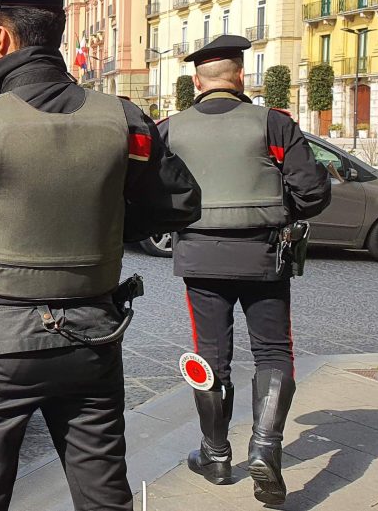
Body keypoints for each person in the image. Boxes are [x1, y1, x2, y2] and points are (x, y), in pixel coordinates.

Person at [0, 0, 202, 511]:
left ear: (1, 38)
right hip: (94, 337)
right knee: (104, 494)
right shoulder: (125, 120)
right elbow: (181, 202)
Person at [159, 34, 330, 505]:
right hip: (264, 255)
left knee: (210, 359)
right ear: (241, 76)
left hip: (200, 258)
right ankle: (265, 448)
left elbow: (150, 196)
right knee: (273, 352)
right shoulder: (273, 124)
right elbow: (313, 192)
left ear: (197, 80)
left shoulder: (170, 129)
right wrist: (279, 210)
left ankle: (215, 455)